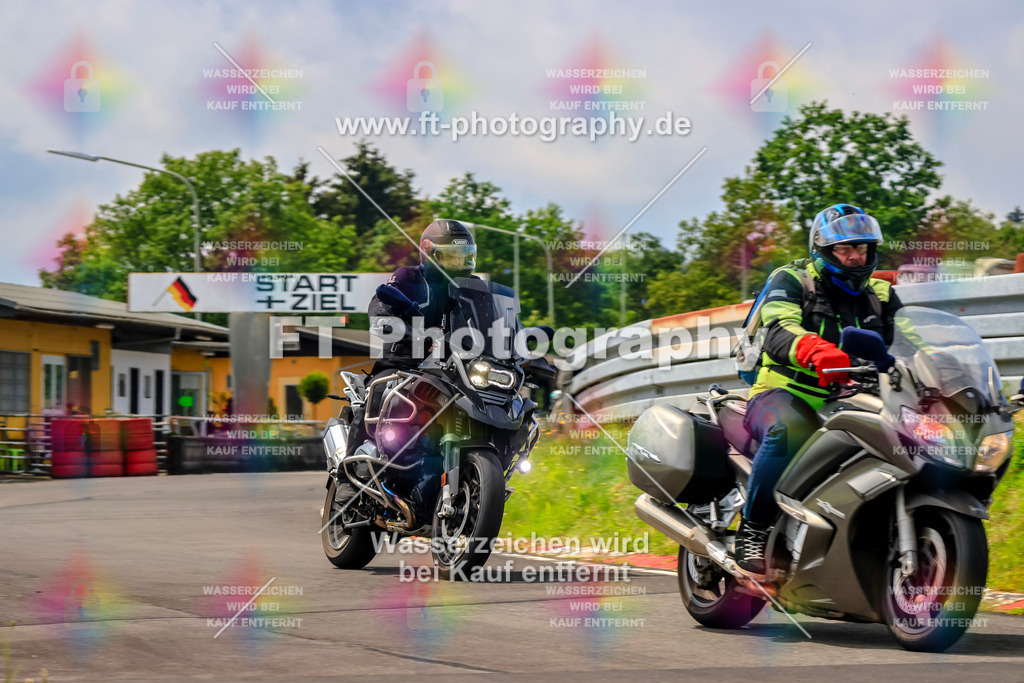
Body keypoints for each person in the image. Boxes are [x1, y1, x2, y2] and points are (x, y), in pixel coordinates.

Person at [734, 203, 904, 577]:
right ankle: (753, 530)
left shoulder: (881, 294)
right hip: (785, 393)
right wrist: (815, 350)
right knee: (790, 430)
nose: (856, 257)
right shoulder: (793, 281)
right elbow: (779, 329)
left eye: (862, 248)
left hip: (857, 399)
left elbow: (912, 344)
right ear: (823, 251)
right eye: (845, 249)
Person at [345, 219, 478, 456]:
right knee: (379, 391)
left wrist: (517, 336)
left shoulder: (473, 288)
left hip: (453, 368)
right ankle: (348, 468)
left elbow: (494, 317)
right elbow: (382, 303)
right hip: (404, 362)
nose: (459, 264)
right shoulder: (408, 278)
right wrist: (394, 326)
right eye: (452, 256)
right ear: (429, 253)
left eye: (464, 256)